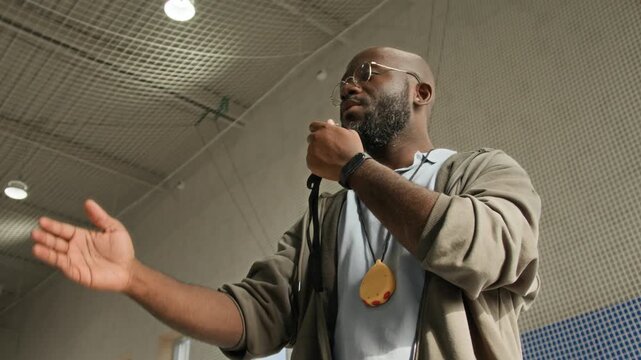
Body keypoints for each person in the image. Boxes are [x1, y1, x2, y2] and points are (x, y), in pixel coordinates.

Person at [31, 47, 541, 359]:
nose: (348, 84)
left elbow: (486, 250)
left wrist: (355, 170)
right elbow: (254, 316)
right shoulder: (328, 217)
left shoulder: (480, 171)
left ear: (420, 92)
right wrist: (133, 277)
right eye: (344, 79)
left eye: (368, 71)